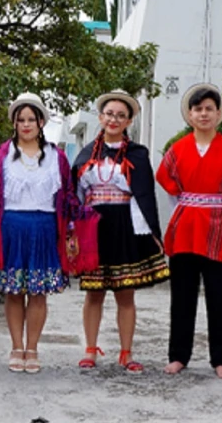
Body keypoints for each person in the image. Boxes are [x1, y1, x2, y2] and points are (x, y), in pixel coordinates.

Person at [0, 93, 99, 373]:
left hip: (44, 230)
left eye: (31, 120)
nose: (25, 125)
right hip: (9, 229)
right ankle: (16, 347)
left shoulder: (57, 158)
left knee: (38, 293)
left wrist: (86, 212)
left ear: (41, 122)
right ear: (14, 123)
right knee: (13, 291)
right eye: (20, 120)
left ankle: (32, 348)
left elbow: (68, 196)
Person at [72, 90, 169, 373]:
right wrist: (73, 231)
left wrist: (151, 232)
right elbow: (75, 193)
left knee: (125, 293)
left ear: (129, 121)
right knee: (94, 294)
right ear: (101, 117)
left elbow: (145, 194)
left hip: (125, 226)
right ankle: (90, 349)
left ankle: (126, 353)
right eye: (109, 114)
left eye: (121, 116)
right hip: (94, 227)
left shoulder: (138, 154)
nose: (114, 119)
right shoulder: (85, 153)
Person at [156, 83, 222, 379]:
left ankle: (221, 359)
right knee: (182, 295)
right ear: (189, 115)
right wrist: (188, 205)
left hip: (219, 228)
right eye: (197, 109)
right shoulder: (177, 150)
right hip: (185, 228)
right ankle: (178, 355)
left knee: (220, 296)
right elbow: (169, 187)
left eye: (209, 108)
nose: (203, 114)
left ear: (219, 114)